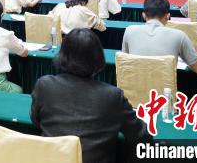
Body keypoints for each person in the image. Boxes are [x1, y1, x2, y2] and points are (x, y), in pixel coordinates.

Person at [31, 28, 151, 163]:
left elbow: (36, 120)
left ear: (62, 54)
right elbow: (140, 136)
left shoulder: (44, 85)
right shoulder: (112, 96)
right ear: (98, 57)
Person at [123, 0, 197, 74]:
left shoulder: (129, 30)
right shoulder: (180, 35)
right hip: (165, 84)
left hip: (134, 83)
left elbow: (125, 61)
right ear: (168, 16)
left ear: (143, 15)